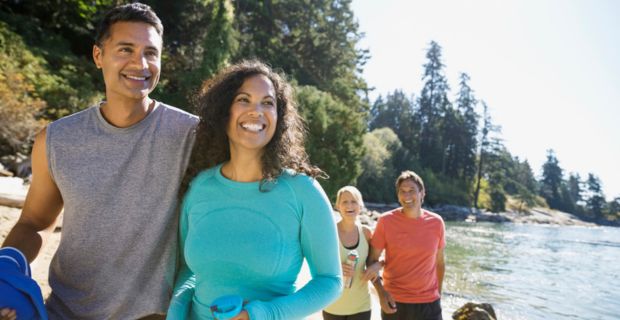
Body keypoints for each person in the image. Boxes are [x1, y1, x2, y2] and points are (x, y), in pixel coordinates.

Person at [1, 3, 198, 319]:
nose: (140, 63)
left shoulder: (193, 135)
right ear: (98, 56)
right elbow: (34, 223)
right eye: (125, 49)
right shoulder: (56, 140)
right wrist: (5, 275)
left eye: (151, 52)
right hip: (63, 313)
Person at [167, 60, 342, 319]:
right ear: (223, 111)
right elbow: (189, 271)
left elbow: (330, 281)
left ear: (279, 117)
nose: (256, 111)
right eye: (243, 100)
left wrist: (263, 313)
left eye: (268, 102)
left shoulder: (303, 192)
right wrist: (177, 309)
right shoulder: (199, 187)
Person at [369, 171, 446, 320]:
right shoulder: (386, 221)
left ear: (422, 193)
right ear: (398, 195)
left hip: (429, 304)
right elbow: (371, 260)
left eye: (412, 191)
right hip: (394, 302)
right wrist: (381, 294)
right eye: (402, 191)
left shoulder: (437, 223)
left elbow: (440, 263)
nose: (407, 196)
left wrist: (439, 295)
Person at [322, 186, 384, 320]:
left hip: (361, 305)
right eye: (344, 202)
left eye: (354, 201)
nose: (349, 205)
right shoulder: (329, 232)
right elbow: (318, 266)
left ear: (360, 205)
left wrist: (376, 266)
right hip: (333, 304)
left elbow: (375, 260)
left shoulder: (366, 233)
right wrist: (337, 269)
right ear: (338, 206)